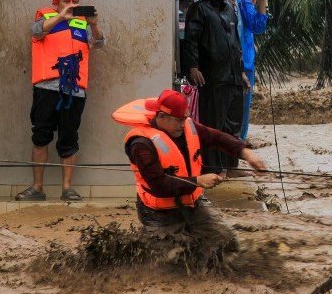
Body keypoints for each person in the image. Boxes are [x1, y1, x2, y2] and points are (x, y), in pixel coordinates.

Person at [111, 89, 267, 266]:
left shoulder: (186, 127)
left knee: (227, 243)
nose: (183, 124)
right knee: (174, 261)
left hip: (192, 204)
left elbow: (216, 137)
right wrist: (198, 181)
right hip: (158, 213)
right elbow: (159, 185)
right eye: (178, 120)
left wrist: (245, 153)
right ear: (161, 117)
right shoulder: (141, 144)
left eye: (184, 119)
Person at [16, 0, 106, 202]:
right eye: (66, 1)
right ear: (55, 3)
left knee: (69, 138)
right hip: (46, 88)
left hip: (74, 91)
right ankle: (37, 188)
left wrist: (94, 24)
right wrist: (60, 17)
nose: (71, 5)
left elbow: (100, 44)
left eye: (75, 1)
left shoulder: (82, 23)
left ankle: (67, 188)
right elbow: (35, 32)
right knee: (41, 136)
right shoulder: (45, 19)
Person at [182, 0, 246, 172]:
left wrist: (241, 72)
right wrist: (192, 66)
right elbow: (190, 40)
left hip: (233, 76)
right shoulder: (199, 8)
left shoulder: (229, 9)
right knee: (213, 126)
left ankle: (230, 166)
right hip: (212, 77)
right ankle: (212, 168)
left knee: (233, 126)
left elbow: (235, 44)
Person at [225, 0, 270, 139]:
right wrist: (262, 0)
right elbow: (258, 25)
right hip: (241, 62)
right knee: (241, 108)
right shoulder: (243, 1)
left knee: (242, 107)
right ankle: (238, 142)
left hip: (246, 61)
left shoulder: (242, 1)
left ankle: (237, 142)